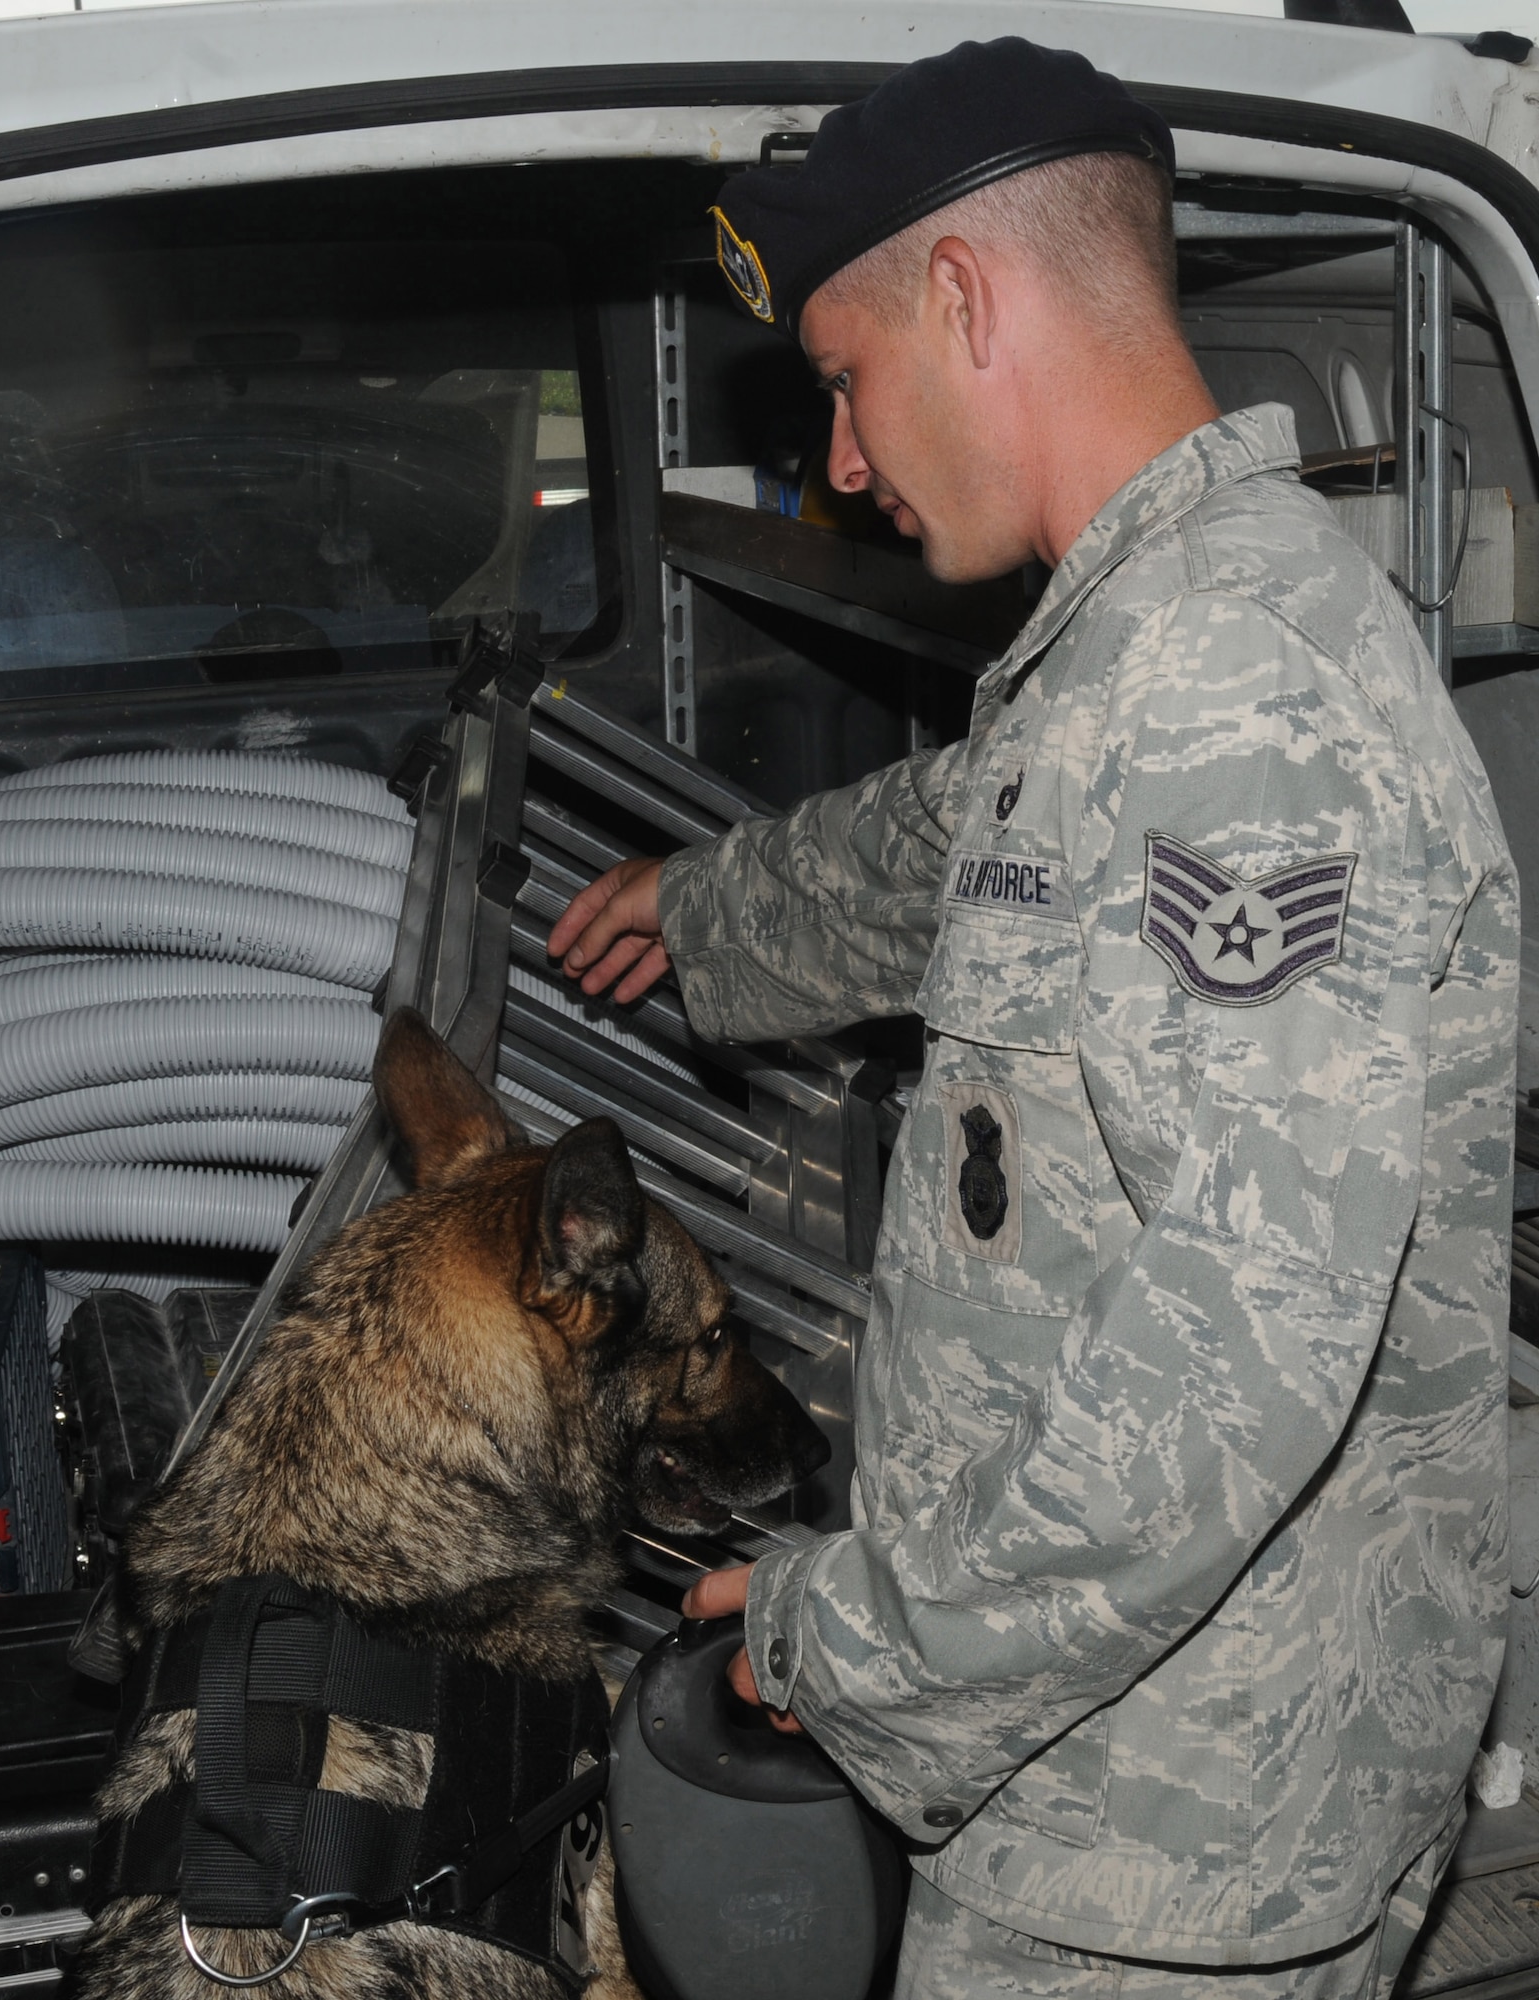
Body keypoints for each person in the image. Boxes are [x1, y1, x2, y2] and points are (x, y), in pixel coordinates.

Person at [549, 37, 1518, 1998]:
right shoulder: (1141, 647)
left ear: (970, 296)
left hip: (1169, 1847)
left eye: (842, 379)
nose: (839, 457)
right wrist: (712, 908)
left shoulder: (1232, 696)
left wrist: (855, 1640)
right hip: (1140, 1767)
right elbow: (982, 836)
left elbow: (1236, 1353)